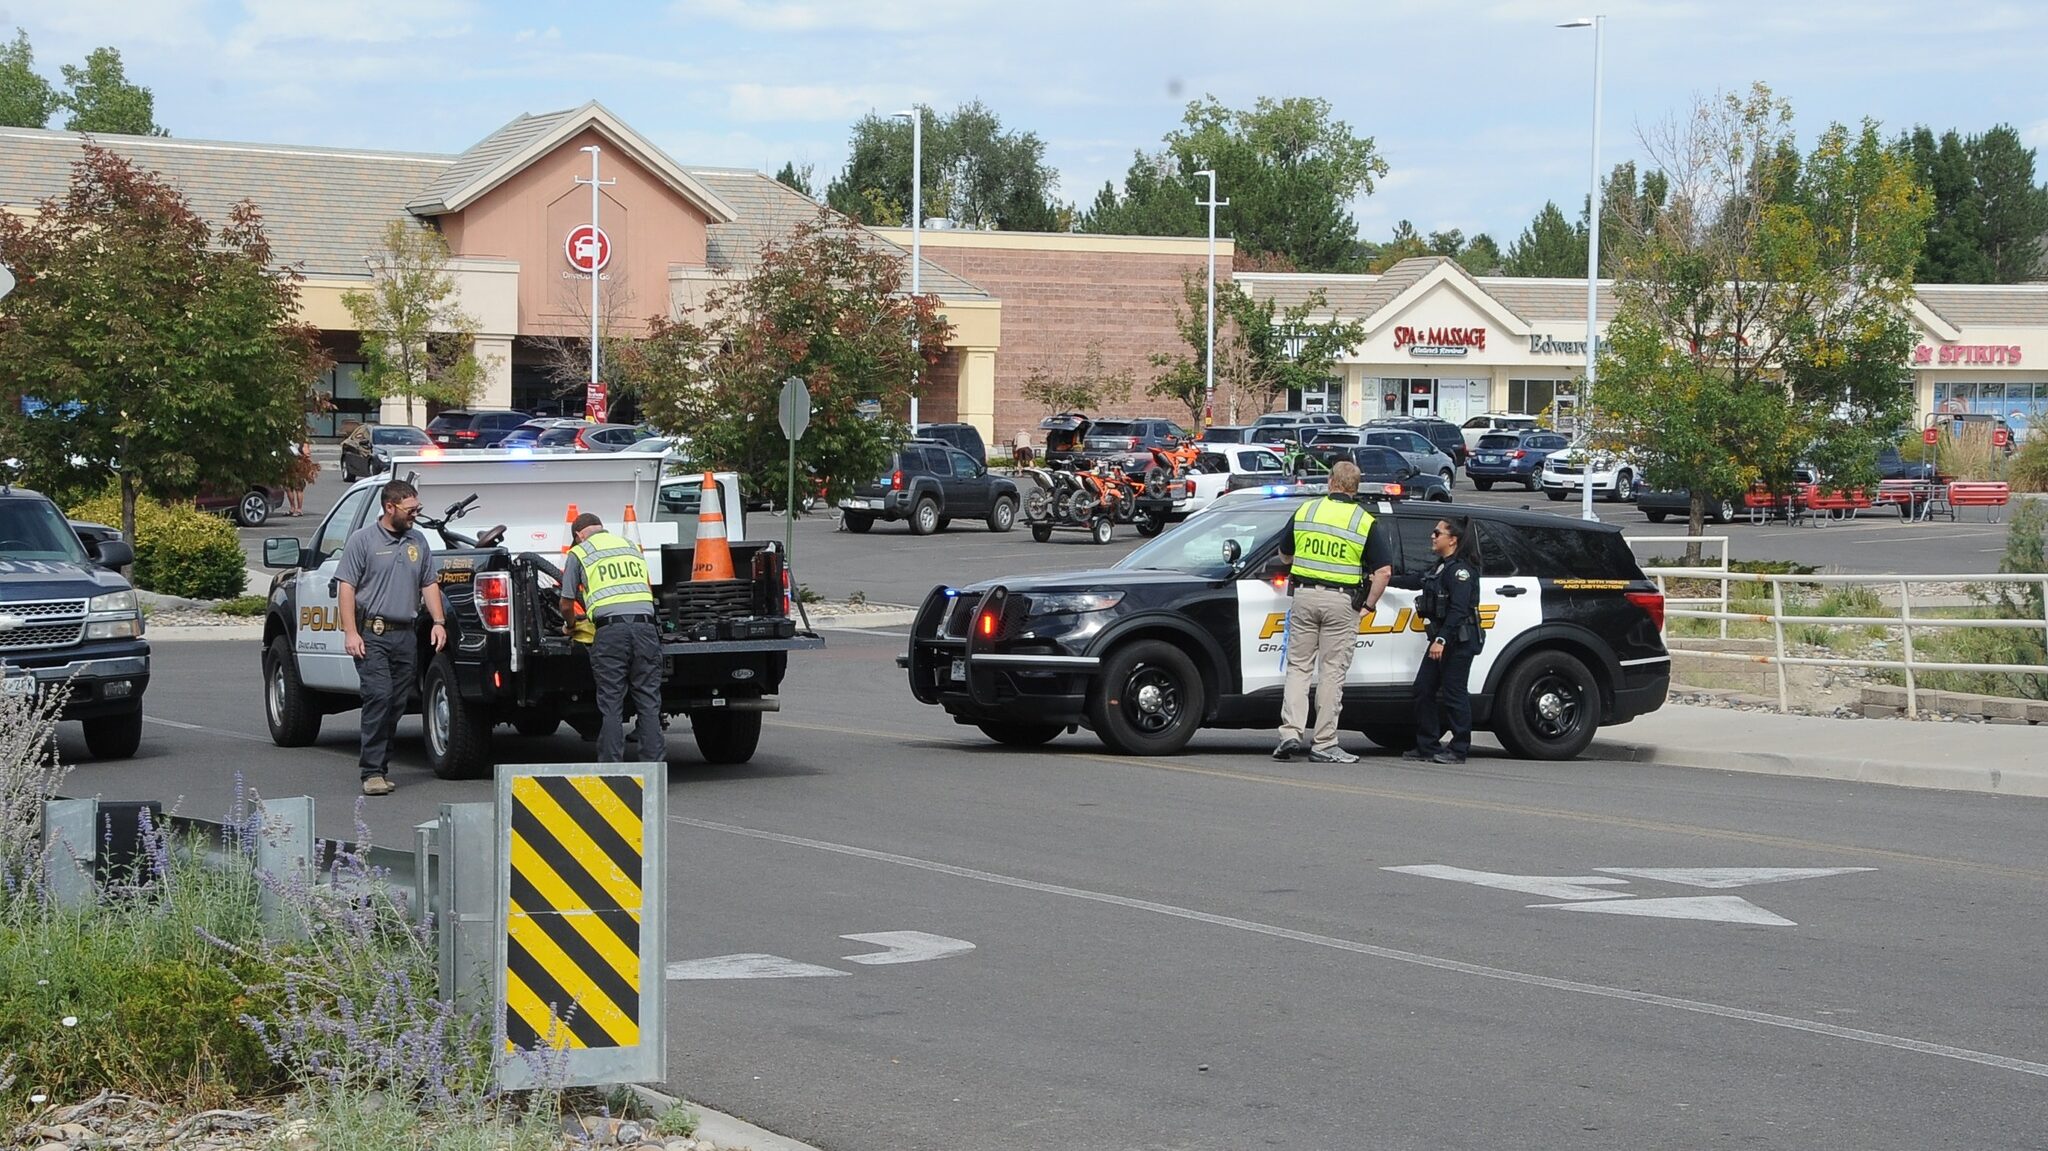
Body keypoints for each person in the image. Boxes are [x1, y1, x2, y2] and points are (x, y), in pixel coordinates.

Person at [1273, 460, 1394, 764]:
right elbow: (1383, 572)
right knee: (1331, 672)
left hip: (1303, 596)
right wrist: (1368, 605)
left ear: (1330, 482)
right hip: (1342, 602)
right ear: (1355, 487)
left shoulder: (1307, 511)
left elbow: (1284, 553)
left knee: (1299, 668)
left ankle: (1290, 734)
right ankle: (1324, 742)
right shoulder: (1363, 521)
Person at [336, 480, 445, 796]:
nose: (415, 515)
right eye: (411, 510)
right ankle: (371, 771)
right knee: (379, 697)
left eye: (417, 509)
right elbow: (346, 587)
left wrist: (438, 622)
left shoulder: (418, 541)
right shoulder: (363, 541)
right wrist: (351, 632)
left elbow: (429, 584)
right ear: (389, 507)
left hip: (405, 635)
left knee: (396, 703)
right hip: (373, 635)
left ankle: (380, 766)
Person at [560, 512, 666, 764]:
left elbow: (566, 603)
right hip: (646, 629)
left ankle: (612, 769)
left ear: (578, 535)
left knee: (611, 703)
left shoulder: (580, 552)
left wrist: (570, 626)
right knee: (649, 701)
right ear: (601, 528)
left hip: (611, 633)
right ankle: (654, 769)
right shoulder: (630, 547)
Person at [1401, 515, 1483, 765]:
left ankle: (1459, 748)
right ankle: (1427, 745)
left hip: (1457, 640)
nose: (1432, 536)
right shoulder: (1441, 566)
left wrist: (1442, 641)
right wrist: (1381, 578)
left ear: (1453, 540)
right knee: (1423, 689)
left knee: (1454, 693)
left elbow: (1458, 610)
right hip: (1443, 638)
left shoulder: (1460, 572)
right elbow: (1416, 581)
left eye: (1438, 533)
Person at [284, 437, 319, 516]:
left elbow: (307, 454)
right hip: (293, 466)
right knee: (290, 488)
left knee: (296, 488)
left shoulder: (297, 442)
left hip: (296, 466)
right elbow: (307, 454)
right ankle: (293, 508)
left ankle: (298, 509)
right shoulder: (300, 442)